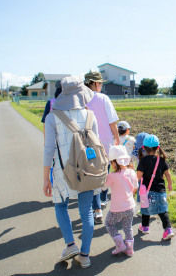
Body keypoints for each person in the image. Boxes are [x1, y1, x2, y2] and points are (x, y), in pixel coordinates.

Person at [43, 76, 98, 268]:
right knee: (87, 213)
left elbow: (48, 150)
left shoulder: (52, 117)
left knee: (60, 206)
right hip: (87, 171)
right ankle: (85, 255)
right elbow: (96, 146)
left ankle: (70, 244)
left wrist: (46, 178)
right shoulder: (90, 116)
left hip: (61, 172)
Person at [84, 71, 120, 222]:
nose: (101, 86)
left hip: (88, 144)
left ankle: (97, 208)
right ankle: (103, 198)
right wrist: (117, 137)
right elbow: (112, 122)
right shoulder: (104, 98)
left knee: (93, 174)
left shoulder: (80, 99)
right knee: (105, 172)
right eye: (100, 83)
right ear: (95, 84)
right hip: (105, 143)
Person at [137, 134, 175, 240]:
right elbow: (168, 174)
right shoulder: (161, 161)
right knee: (163, 211)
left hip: (148, 192)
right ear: (158, 148)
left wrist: (134, 186)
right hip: (161, 191)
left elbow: (138, 176)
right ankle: (168, 230)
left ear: (144, 148)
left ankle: (145, 227)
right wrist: (170, 184)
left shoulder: (143, 161)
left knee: (145, 209)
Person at [104, 145, 138, 256]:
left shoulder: (112, 176)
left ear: (114, 163)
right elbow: (135, 187)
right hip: (130, 207)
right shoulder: (132, 172)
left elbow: (103, 187)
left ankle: (120, 245)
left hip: (117, 208)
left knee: (109, 224)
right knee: (128, 227)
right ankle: (129, 249)